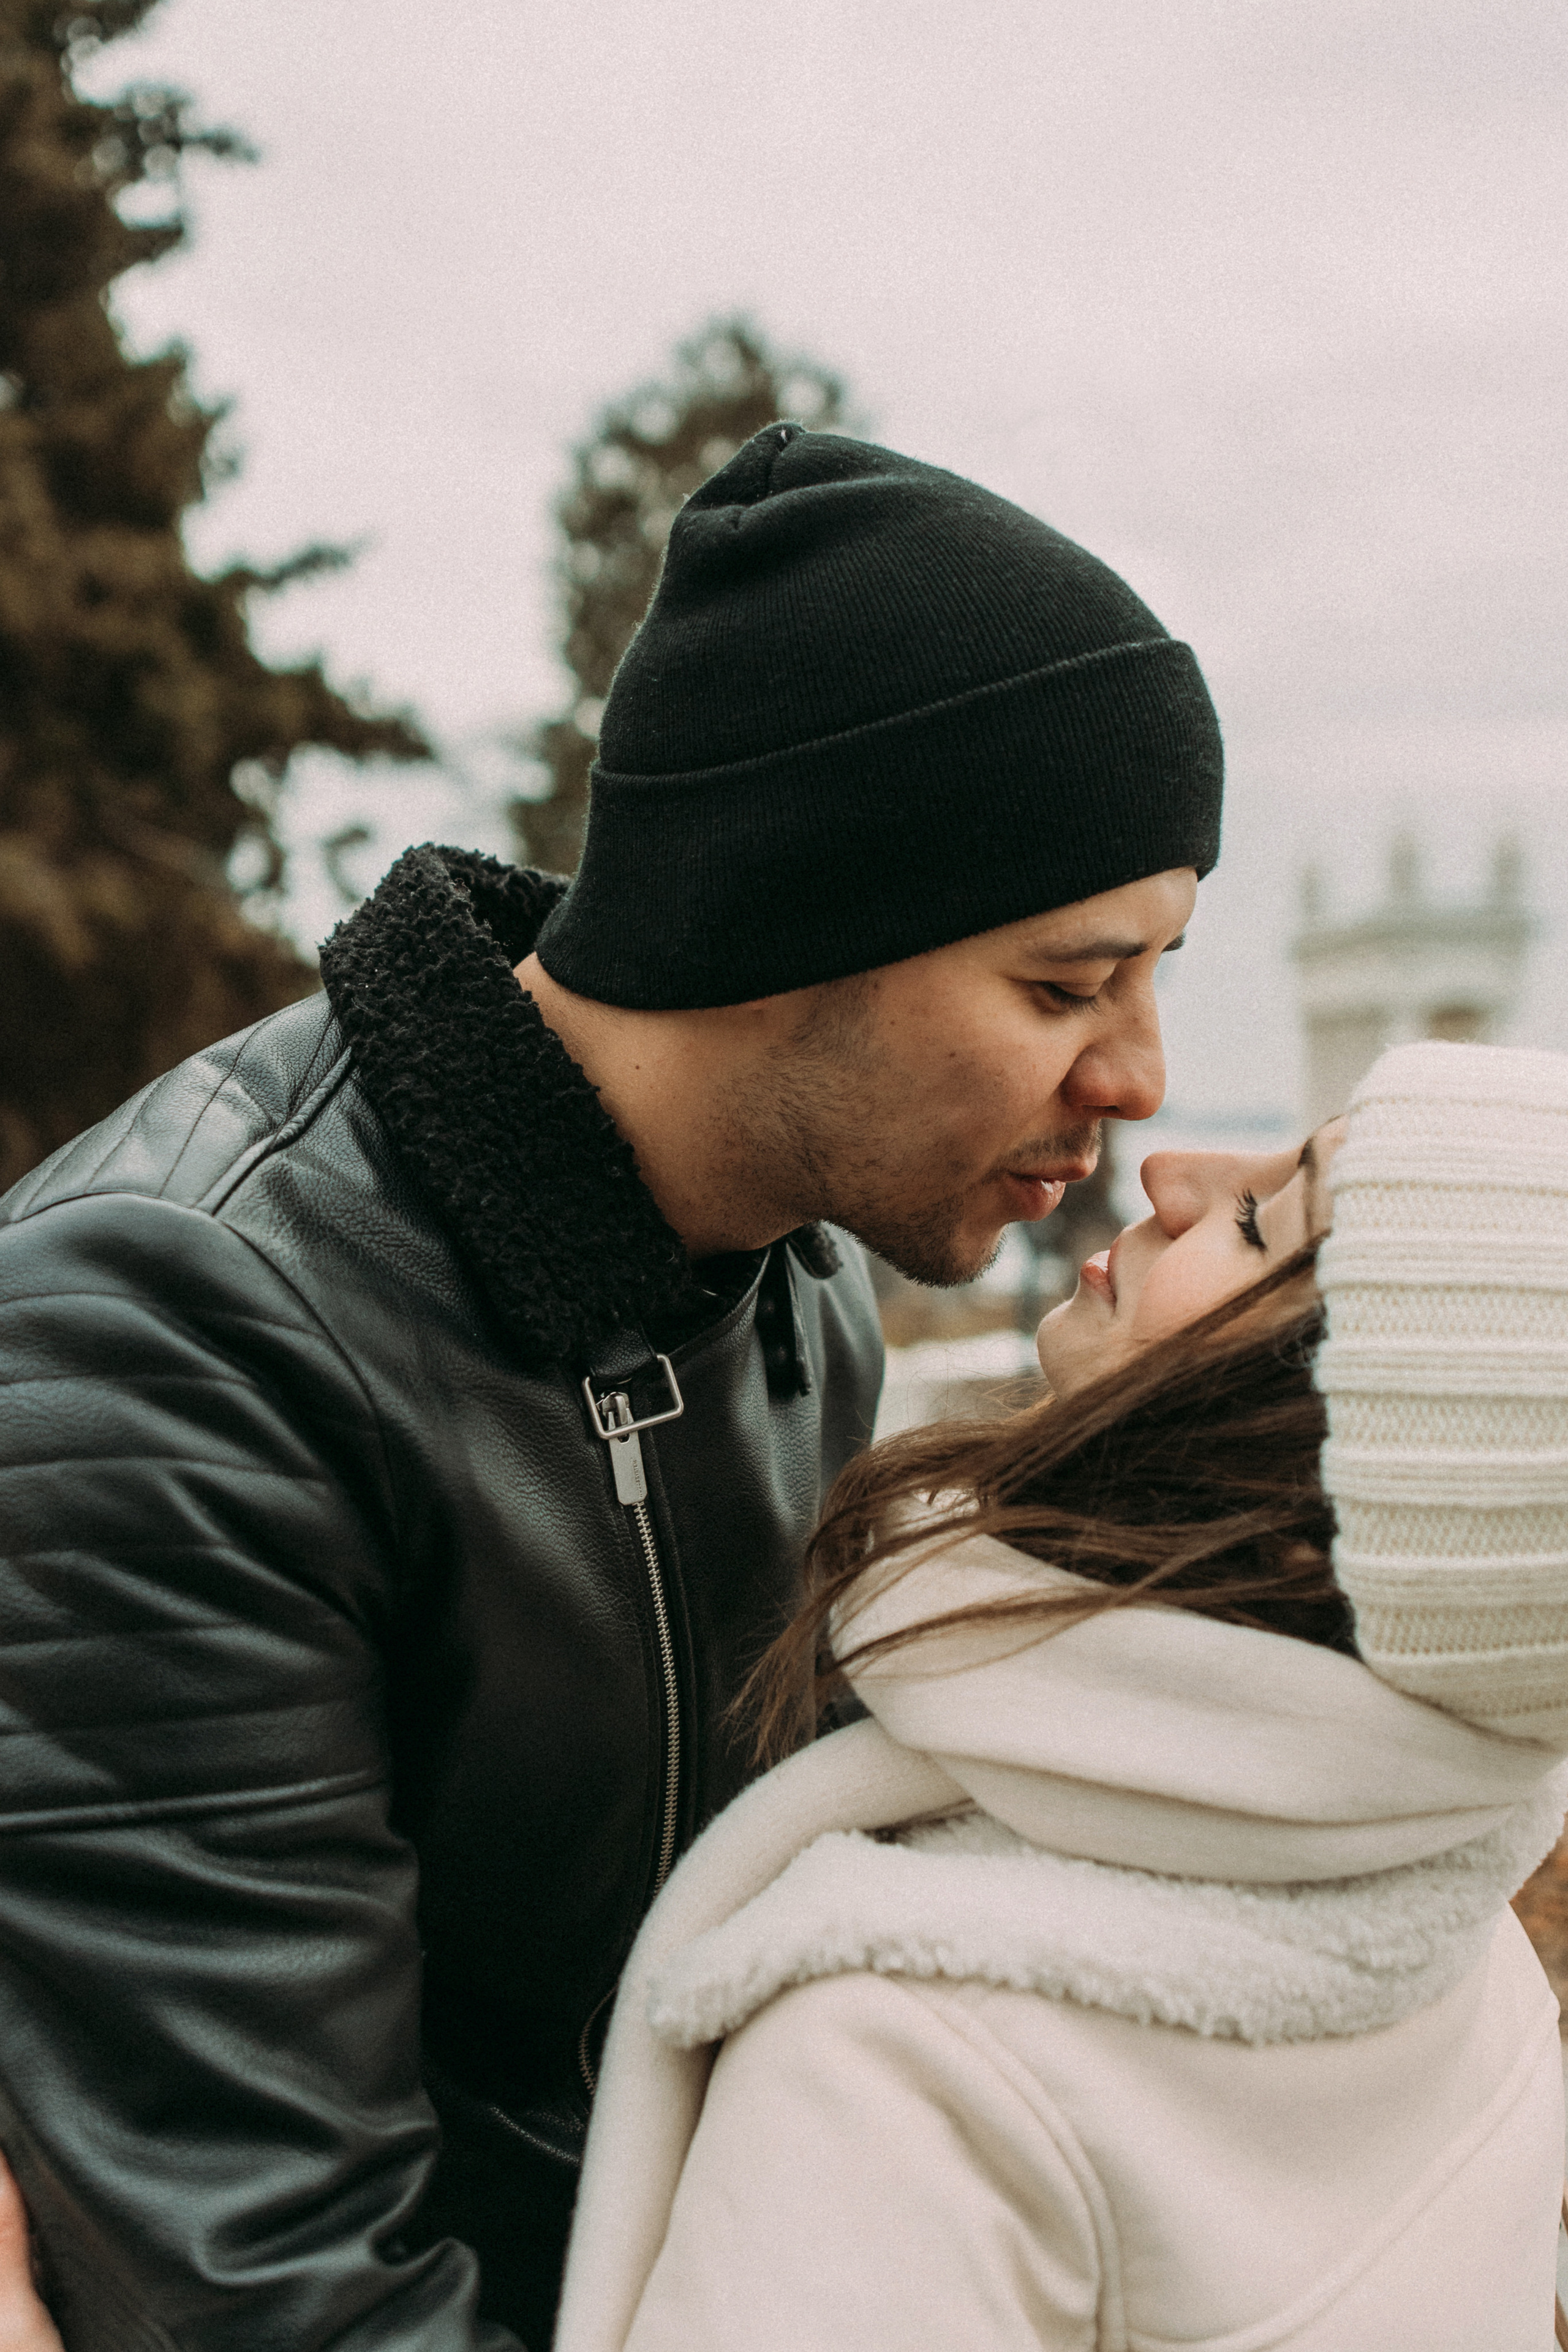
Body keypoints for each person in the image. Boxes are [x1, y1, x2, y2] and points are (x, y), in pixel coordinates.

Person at [0, 424, 1221, 2348]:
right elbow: (260, 2288)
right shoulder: (176, 1331)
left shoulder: (793, 1281)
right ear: (784, 933)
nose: (1143, 1077)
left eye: (1155, 973)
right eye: (1068, 989)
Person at [548, 1039, 1568, 2352]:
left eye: (1259, 1219)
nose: (1173, 1166)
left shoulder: (915, 2068)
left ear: (1310, 1502)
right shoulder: (1467, 1959)